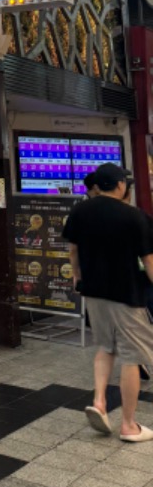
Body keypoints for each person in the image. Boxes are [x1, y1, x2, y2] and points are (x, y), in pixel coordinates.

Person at [64, 162, 153, 441]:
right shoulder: (134, 216)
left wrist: (77, 277)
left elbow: (73, 252)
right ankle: (128, 425)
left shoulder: (79, 211)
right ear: (120, 185)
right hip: (126, 294)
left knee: (105, 347)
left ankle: (100, 401)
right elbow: (149, 260)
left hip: (93, 291)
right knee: (132, 356)